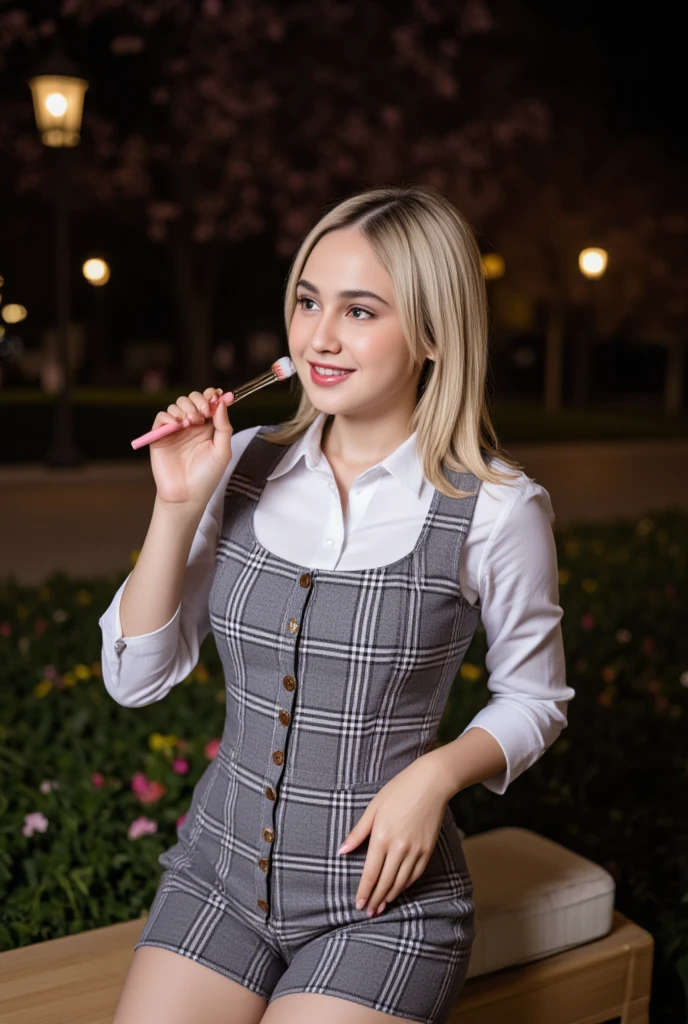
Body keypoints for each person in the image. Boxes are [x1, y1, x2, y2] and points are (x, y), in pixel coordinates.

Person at [99, 184, 575, 1024]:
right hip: (217, 875)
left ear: (432, 333)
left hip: (383, 906)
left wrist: (436, 775)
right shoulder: (238, 463)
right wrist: (175, 507)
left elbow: (537, 700)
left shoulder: (497, 509)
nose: (319, 337)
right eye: (309, 301)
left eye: (360, 311)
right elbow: (135, 679)